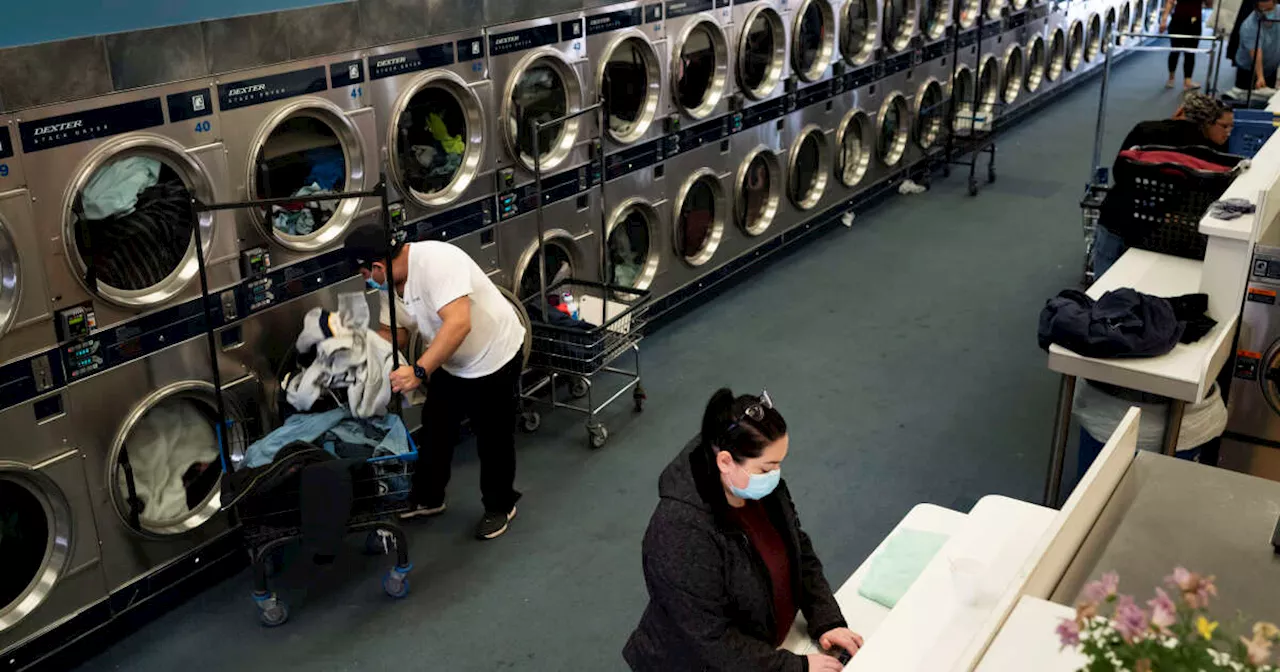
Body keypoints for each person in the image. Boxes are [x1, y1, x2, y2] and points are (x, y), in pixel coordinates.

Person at [623, 389, 862, 672]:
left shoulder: (760, 488)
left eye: (779, 463)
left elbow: (799, 553)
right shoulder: (680, 532)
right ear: (725, 461)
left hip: (767, 648)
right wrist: (793, 667)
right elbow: (710, 639)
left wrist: (826, 619)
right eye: (767, 467)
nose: (775, 475)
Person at [343, 225, 526, 540]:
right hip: (451, 361)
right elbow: (396, 333)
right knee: (436, 427)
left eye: (365, 275)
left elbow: (459, 323)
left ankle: (500, 505)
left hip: (493, 355)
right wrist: (359, 348)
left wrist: (418, 371)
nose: (367, 282)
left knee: (492, 437)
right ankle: (429, 497)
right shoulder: (390, 284)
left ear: (377, 266)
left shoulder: (437, 262)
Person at [1093, 93, 1233, 277]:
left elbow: (1119, 172)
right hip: (1168, 233)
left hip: (1119, 217)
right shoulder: (1209, 153)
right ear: (1207, 123)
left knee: (1104, 281)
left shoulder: (1145, 130)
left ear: (1181, 110)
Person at [1161, 0, 1209, 90]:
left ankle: (1176, 80)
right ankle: (1183, 81)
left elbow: (1170, 2)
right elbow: (1209, 4)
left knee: (1181, 51)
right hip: (1187, 20)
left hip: (1184, 19)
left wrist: (1164, 19)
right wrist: (1164, 19)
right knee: (1185, 51)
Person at [1235, 0, 1280, 90]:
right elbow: (1256, 52)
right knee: (1245, 100)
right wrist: (1260, 77)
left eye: (1269, 9)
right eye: (1262, 9)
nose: (1265, 12)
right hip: (1249, 71)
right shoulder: (1249, 25)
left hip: (1271, 69)